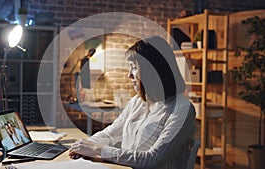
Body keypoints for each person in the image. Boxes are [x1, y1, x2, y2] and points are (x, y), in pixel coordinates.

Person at [69, 36, 196, 169]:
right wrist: (84, 146)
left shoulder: (181, 109)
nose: (129, 75)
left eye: (134, 67)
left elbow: (153, 159)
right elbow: (110, 133)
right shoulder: (137, 102)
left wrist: (98, 150)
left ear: (153, 71)